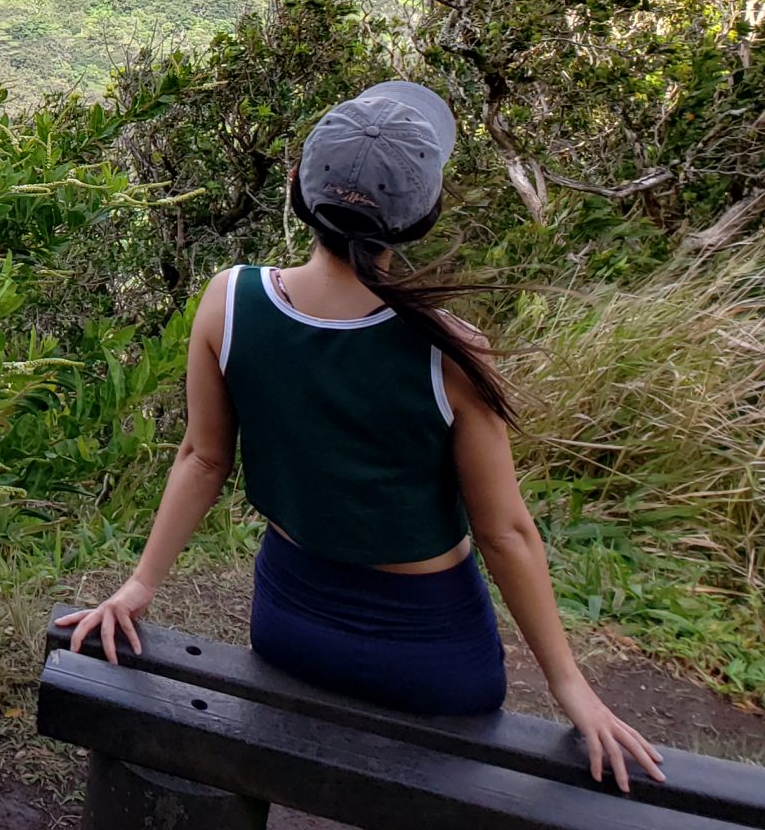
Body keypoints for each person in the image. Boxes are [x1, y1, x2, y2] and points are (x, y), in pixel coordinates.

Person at [56, 80, 665, 793]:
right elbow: (505, 535)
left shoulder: (231, 300)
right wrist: (572, 689)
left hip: (288, 623)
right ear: (424, 217)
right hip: (429, 654)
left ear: (298, 190)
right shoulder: (452, 352)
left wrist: (138, 586)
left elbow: (203, 456)